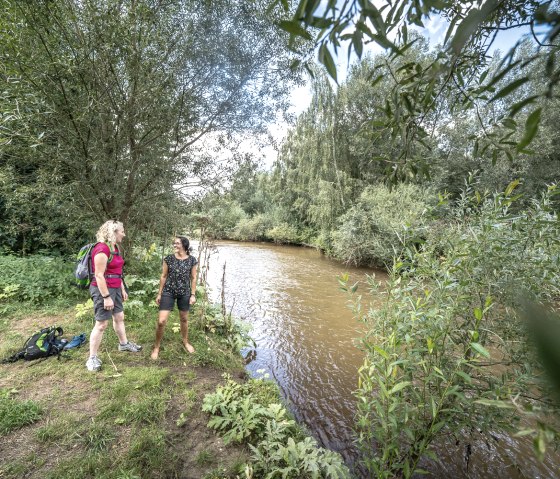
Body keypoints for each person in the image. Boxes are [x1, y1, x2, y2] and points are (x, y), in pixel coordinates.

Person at [86, 220, 142, 372]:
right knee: (102, 324)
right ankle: (92, 358)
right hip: (103, 290)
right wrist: (106, 297)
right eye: (122, 231)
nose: (124, 234)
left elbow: (116, 272)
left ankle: (123, 344)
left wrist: (122, 288)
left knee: (119, 317)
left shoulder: (115, 247)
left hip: (116, 288)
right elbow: (98, 275)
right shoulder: (102, 249)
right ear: (113, 232)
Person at [151, 236, 198, 359]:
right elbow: (164, 276)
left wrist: (193, 294)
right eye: (174, 243)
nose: (174, 245)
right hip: (168, 291)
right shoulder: (169, 259)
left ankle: (185, 342)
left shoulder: (192, 260)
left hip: (184, 293)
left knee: (184, 319)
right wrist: (160, 293)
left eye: (177, 243)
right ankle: (156, 346)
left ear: (184, 245)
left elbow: (193, 278)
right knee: (161, 321)